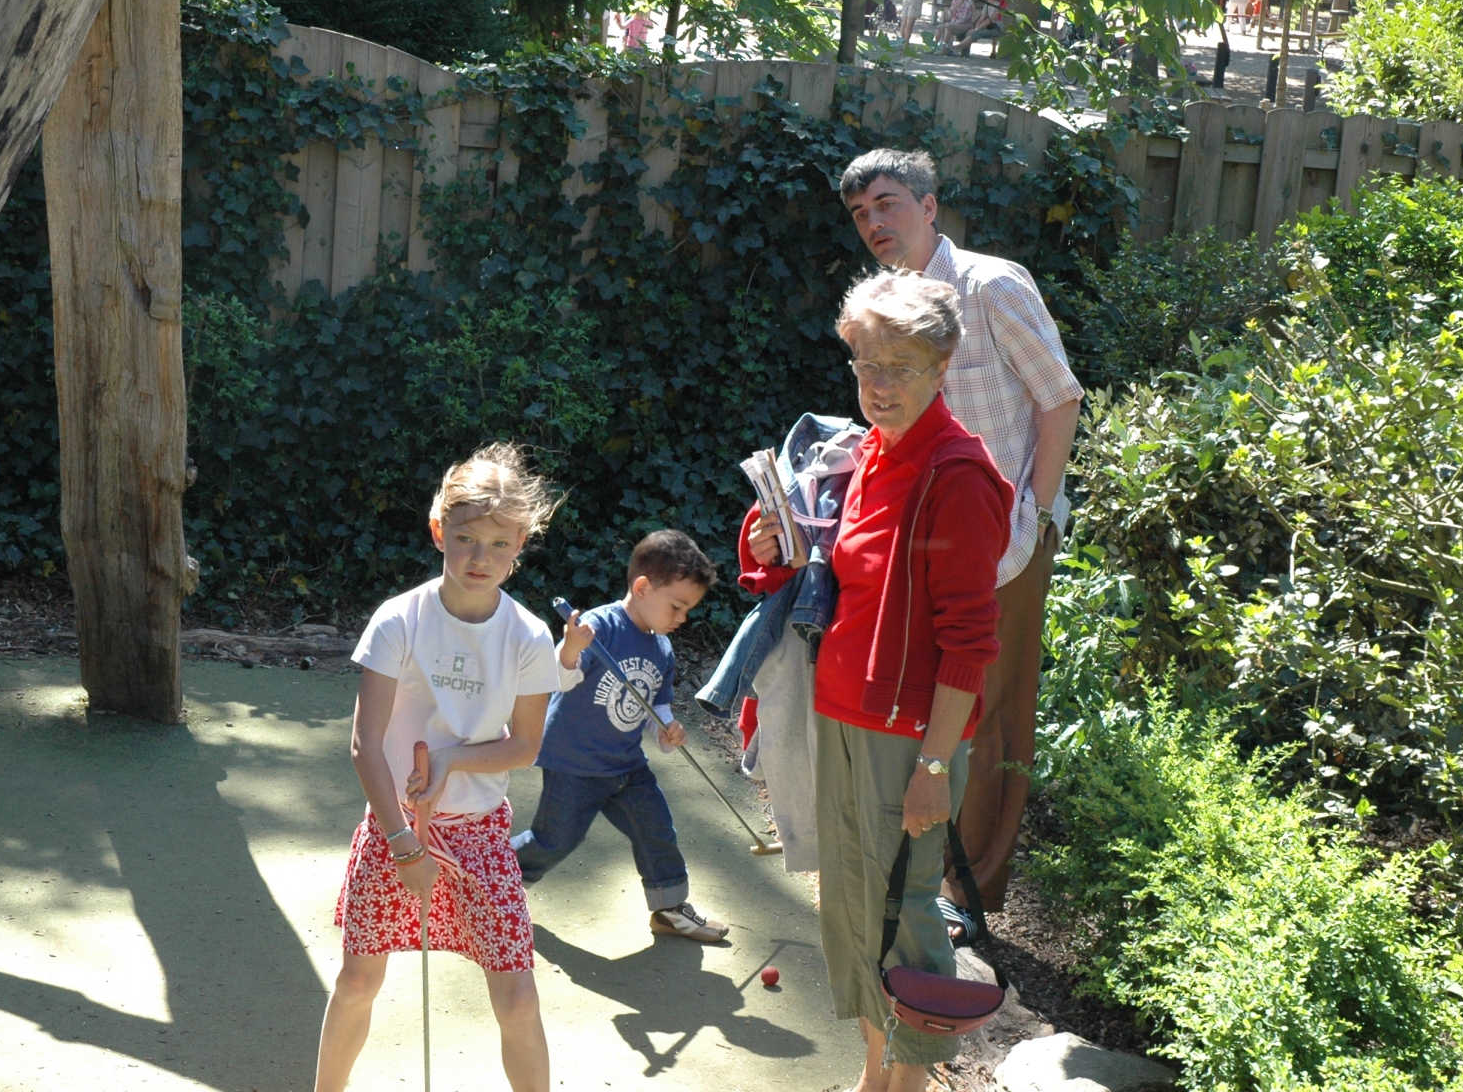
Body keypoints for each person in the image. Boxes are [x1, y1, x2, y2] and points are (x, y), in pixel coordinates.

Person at [746, 272, 1013, 1089]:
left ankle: (911, 1082)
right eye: (867, 363)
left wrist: (934, 766)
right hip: (841, 712)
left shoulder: (956, 475)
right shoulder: (866, 454)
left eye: (901, 366)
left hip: (909, 737)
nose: (880, 384)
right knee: (854, 909)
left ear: (943, 365)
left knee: (904, 910)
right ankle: (875, 1075)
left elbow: (969, 642)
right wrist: (771, 550)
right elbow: (833, 580)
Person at [838, 150, 1083, 941]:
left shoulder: (991, 285)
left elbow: (1060, 398)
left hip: (1005, 535)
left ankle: (969, 889)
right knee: (933, 693)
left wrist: (1034, 512)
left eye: (887, 203)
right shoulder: (888, 303)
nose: (875, 222)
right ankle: (916, 857)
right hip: (924, 534)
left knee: (993, 705)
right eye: (861, 214)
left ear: (929, 204)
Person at [313, 443, 562, 1092]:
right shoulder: (400, 620)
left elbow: (525, 745)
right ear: (438, 531)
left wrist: (452, 759)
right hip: (395, 826)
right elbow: (366, 744)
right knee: (358, 981)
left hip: (481, 834)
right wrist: (403, 845)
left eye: (500, 543)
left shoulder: (529, 636)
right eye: (466, 538)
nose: (481, 557)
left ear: (520, 545)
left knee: (519, 1000)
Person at [513, 531, 731, 943]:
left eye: (688, 610)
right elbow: (559, 679)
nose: (682, 618)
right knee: (554, 840)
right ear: (643, 587)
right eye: (677, 606)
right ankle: (492, 879)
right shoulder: (600, 628)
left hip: (626, 764)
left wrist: (667, 730)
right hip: (575, 763)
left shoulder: (662, 649)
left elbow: (654, 708)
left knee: (656, 829)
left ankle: (669, 908)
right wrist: (570, 648)